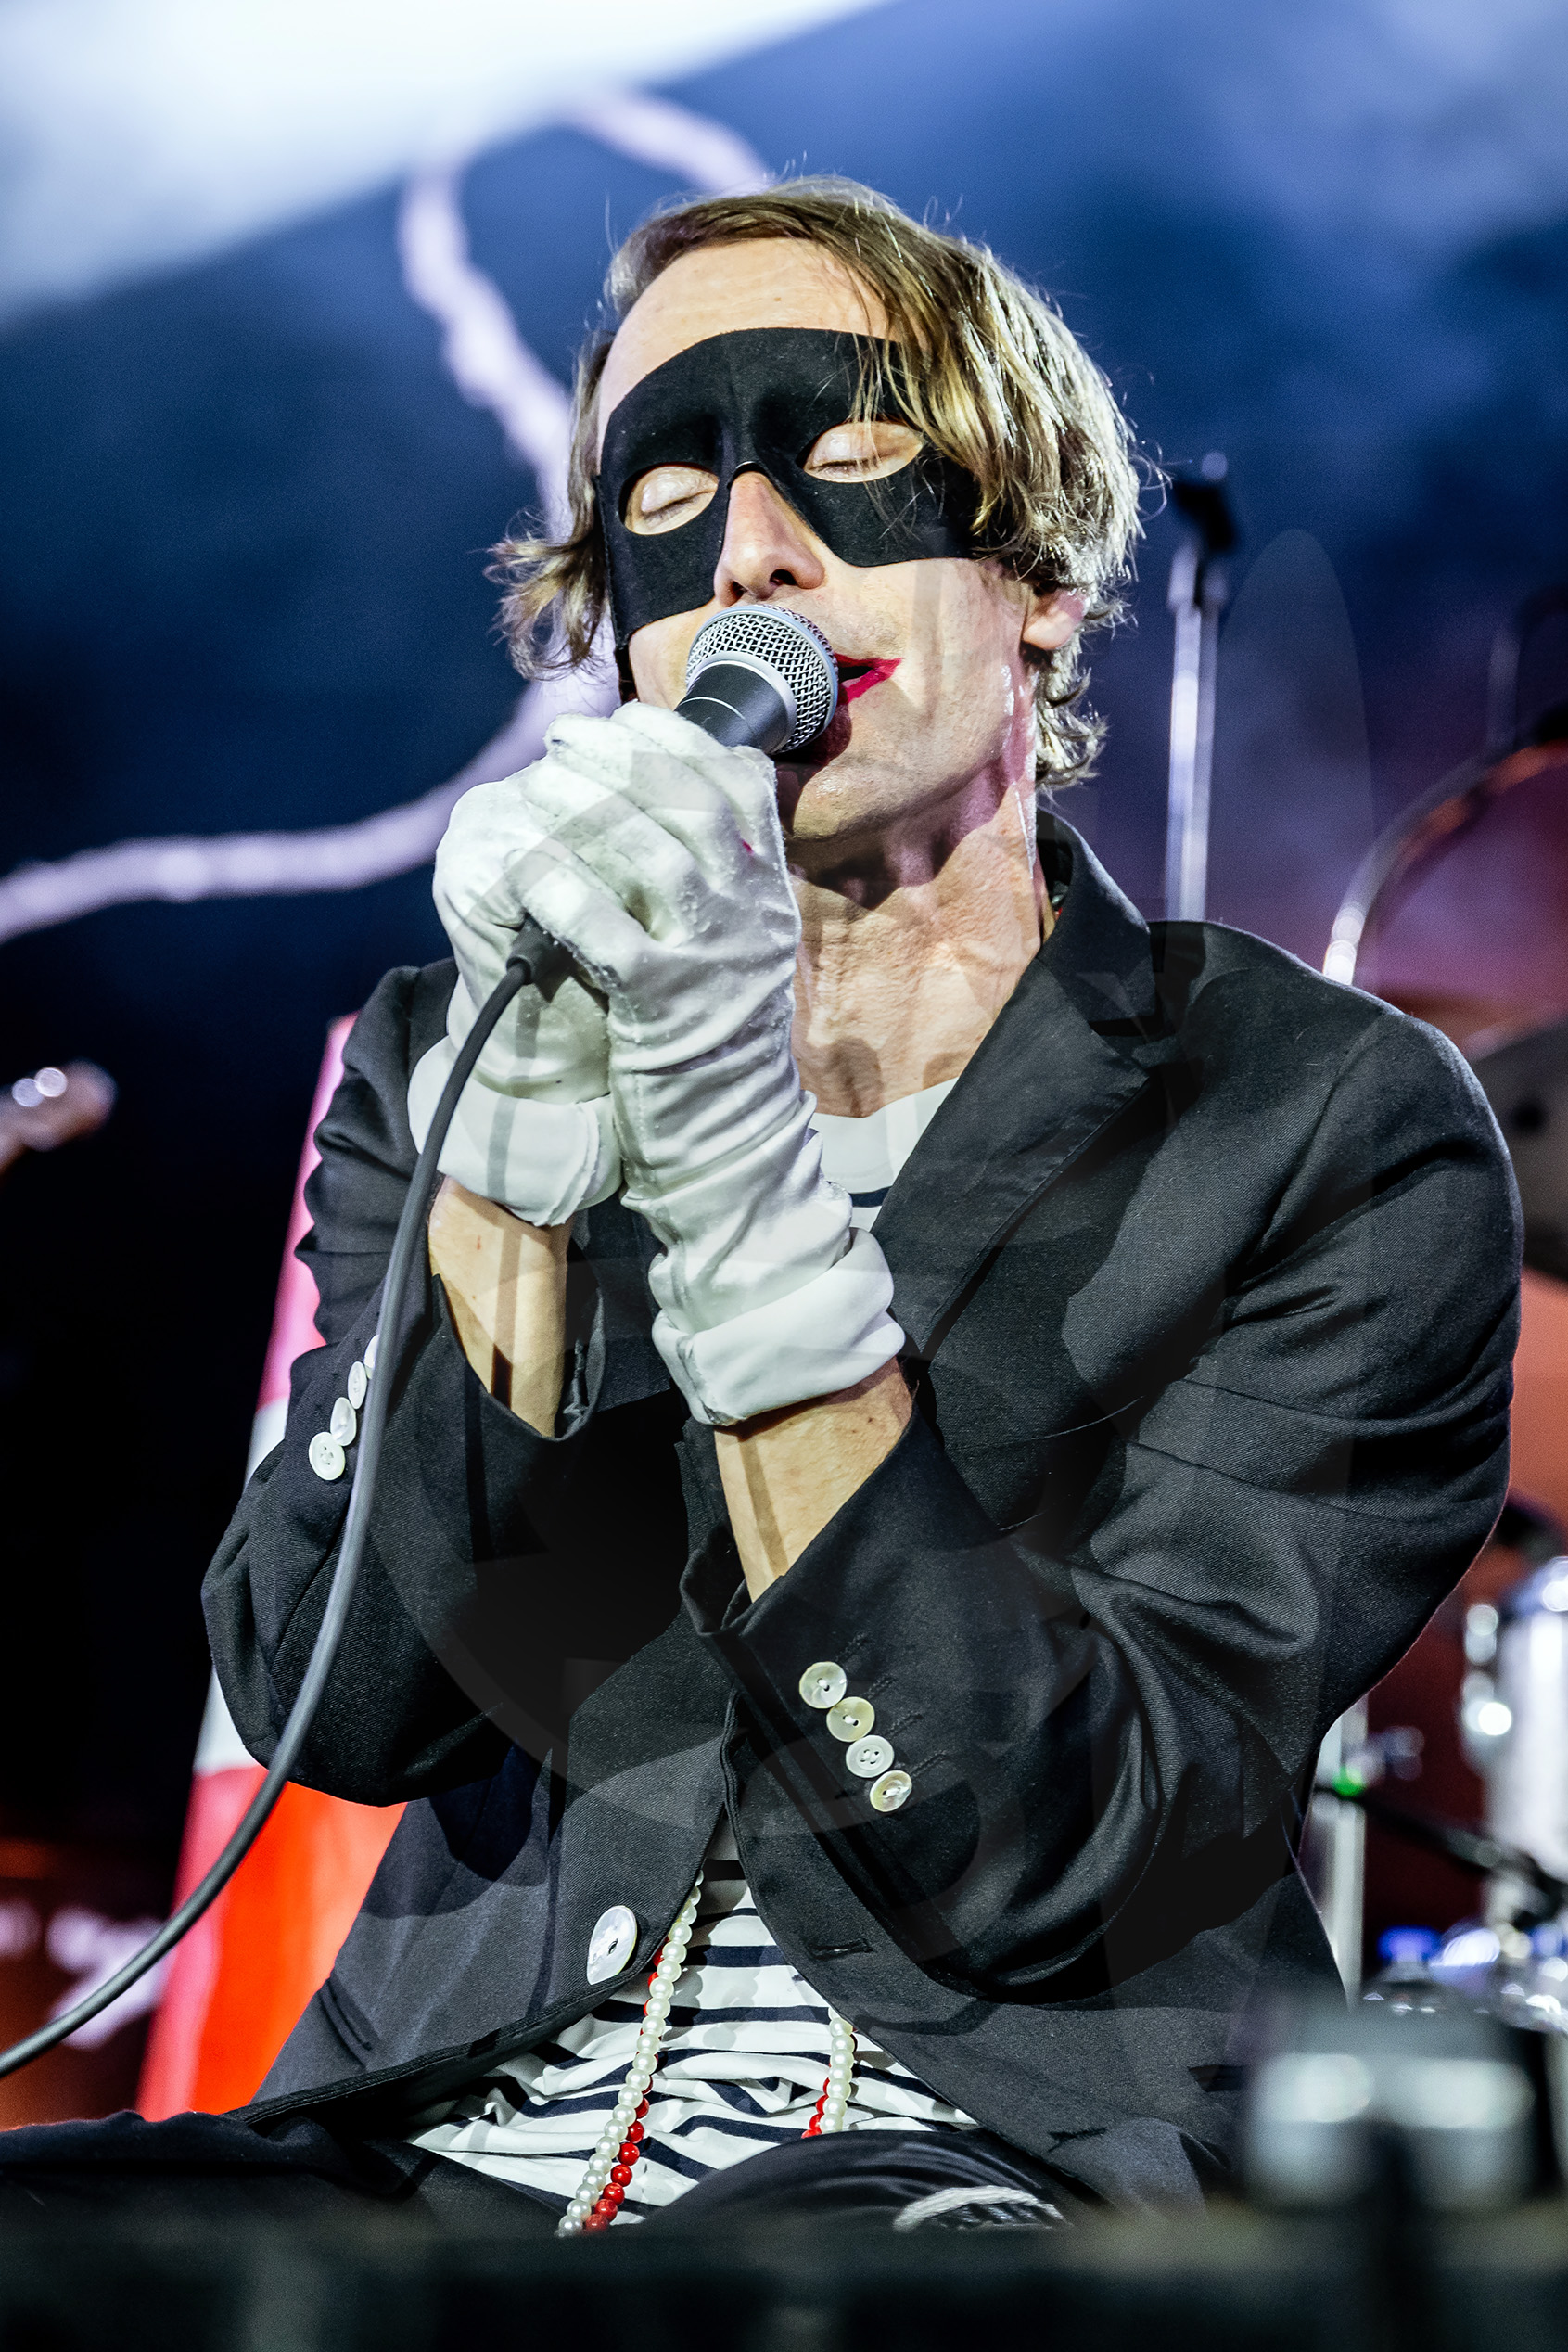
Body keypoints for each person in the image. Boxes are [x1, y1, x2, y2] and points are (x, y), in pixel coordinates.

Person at [0, 176, 1517, 2235]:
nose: (754, 557)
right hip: (434, 2143)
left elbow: (1055, 1847)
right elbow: (331, 1696)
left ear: (1036, 573)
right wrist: (512, 1173)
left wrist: (727, 1150)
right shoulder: (449, 1045)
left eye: (854, 456)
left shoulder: (1318, 1115)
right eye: (667, 500)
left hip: (991, 2167)